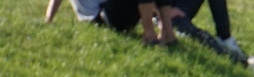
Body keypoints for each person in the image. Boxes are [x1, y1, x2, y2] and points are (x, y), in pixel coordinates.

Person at [170, 0, 254, 77]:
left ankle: (225, 38)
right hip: (163, 16)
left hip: (175, 7)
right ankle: (245, 65)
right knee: (200, 36)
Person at [45, 0, 177, 46]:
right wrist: (48, 20)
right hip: (101, 16)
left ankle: (167, 33)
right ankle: (150, 35)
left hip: (114, 11)